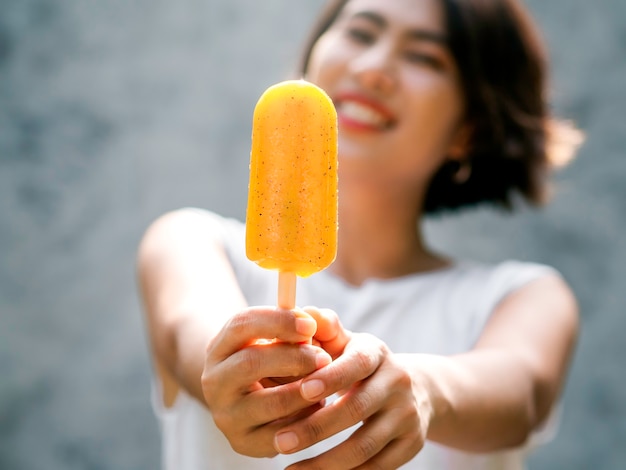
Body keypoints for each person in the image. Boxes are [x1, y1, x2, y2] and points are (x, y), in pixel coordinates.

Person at [137, 0, 582, 468]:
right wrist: (236, 369)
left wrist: (425, 391)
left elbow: (521, 397)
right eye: (361, 34)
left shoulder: (522, 296)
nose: (373, 69)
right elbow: (191, 335)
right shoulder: (193, 243)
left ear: (468, 130)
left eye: (424, 58)